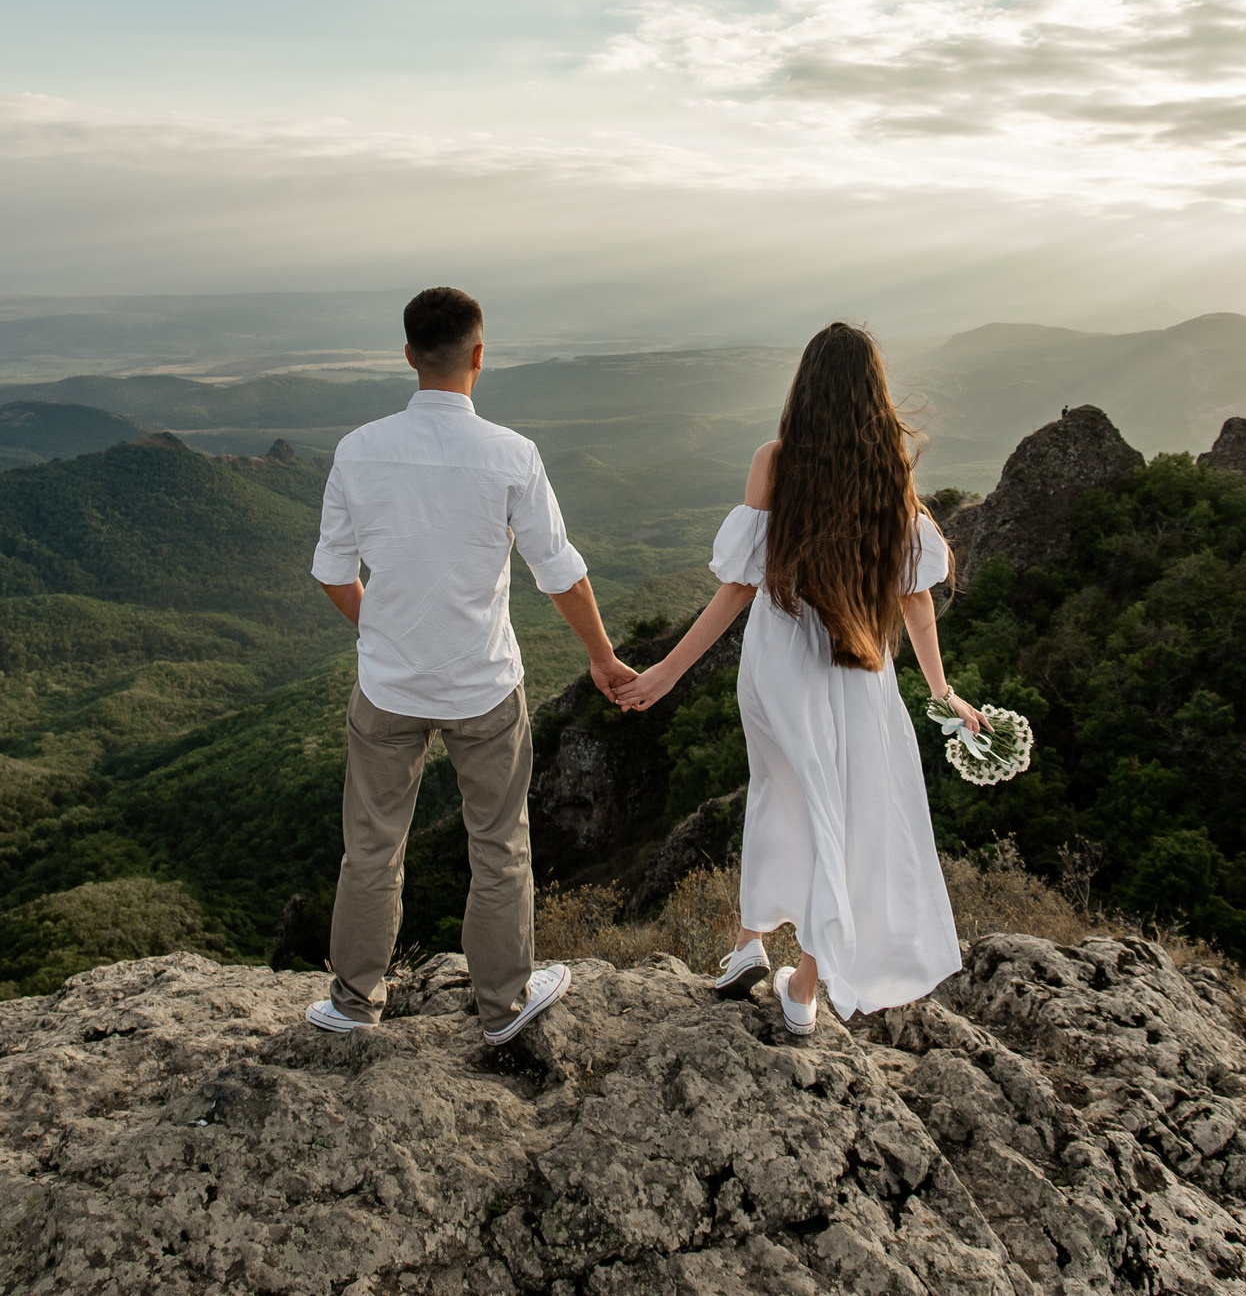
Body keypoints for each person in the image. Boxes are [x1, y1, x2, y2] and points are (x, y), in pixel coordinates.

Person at [614, 322, 981, 1036]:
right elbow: (916, 602)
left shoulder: (775, 460)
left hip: (779, 667)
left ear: (805, 387)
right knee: (833, 816)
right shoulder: (889, 469)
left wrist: (666, 671)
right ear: (873, 393)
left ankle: (751, 940)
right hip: (856, 671)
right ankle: (804, 985)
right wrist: (941, 692)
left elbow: (738, 587)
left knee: (779, 795)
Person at [305, 287, 638, 1044]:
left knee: (371, 847)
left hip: (387, 686)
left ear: (408, 355)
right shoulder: (511, 455)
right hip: (484, 687)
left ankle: (353, 1004)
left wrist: (384, 627)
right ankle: (501, 1004)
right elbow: (562, 572)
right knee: (498, 844)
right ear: (478, 357)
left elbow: (331, 571)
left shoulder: (358, 449)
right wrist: (602, 657)